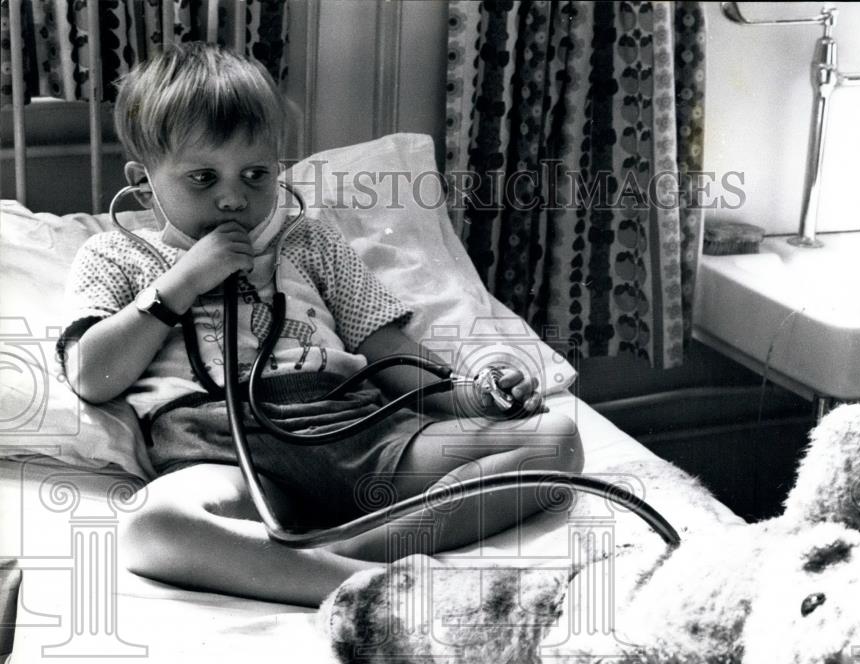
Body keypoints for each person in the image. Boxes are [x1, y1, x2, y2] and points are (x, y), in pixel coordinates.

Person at [58, 42, 583, 606]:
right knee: (151, 525)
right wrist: (182, 283)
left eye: (255, 174)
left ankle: (349, 555)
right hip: (232, 459)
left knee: (556, 441)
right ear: (143, 183)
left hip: (364, 437)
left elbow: (390, 353)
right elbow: (93, 376)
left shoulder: (310, 242)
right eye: (203, 178)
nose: (233, 197)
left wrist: (474, 398)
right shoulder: (116, 256)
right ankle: (354, 583)